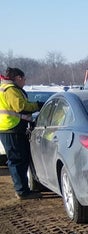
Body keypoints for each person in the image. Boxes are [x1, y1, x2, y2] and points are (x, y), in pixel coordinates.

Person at [0, 67, 42, 200]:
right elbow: (20, 107)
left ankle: (23, 189)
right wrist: (37, 105)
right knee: (17, 160)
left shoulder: (5, 88)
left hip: (9, 127)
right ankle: (22, 191)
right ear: (18, 78)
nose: (24, 81)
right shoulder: (11, 90)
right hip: (11, 128)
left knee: (19, 159)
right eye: (24, 79)